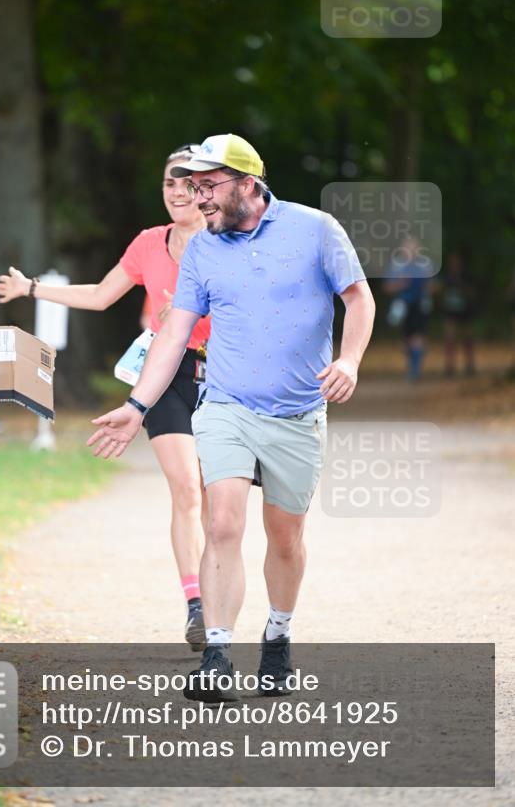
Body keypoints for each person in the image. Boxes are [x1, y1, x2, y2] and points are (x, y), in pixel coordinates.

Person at [87, 134, 375, 701]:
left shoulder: (315, 229)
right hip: (225, 405)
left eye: (208, 185)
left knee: (285, 536)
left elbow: (359, 299)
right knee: (221, 523)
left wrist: (350, 360)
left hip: (297, 411)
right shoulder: (203, 250)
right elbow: (172, 334)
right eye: (192, 186)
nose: (198, 198)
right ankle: (217, 654)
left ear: (248, 183)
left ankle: (278, 637)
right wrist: (136, 404)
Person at [0, 145, 211, 650]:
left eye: (188, 182)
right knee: (187, 490)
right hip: (166, 374)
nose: (177, 191)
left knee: (219, 501)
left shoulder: (229, 241)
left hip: (227, 376)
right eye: (169, 183)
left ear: (206, 189)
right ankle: (198, 605)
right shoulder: (147, 244)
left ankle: (225, 595)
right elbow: (98, 295)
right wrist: (32, 289)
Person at [383, 235, 433, 382]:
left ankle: (415, 370)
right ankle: (412, 364)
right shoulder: (397, 265)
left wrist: (427, 287)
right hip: (403, 305)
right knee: (407, 339)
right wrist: (400, 284)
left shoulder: (425, 265)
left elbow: (433, 285)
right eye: (408, 246)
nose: (411, 250)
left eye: (413, 246)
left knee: (418, 337)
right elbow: (388, 287)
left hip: (420, 305)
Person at [440, 252, 476, 377]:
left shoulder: (466, 277)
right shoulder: (446, 277)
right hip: (451, 312)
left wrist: (462, 287)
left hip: (465, 312)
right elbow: (441, 292)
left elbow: (472, 293)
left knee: (467, 339)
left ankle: (469, 364)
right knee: (450, 338)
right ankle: (450, 366)